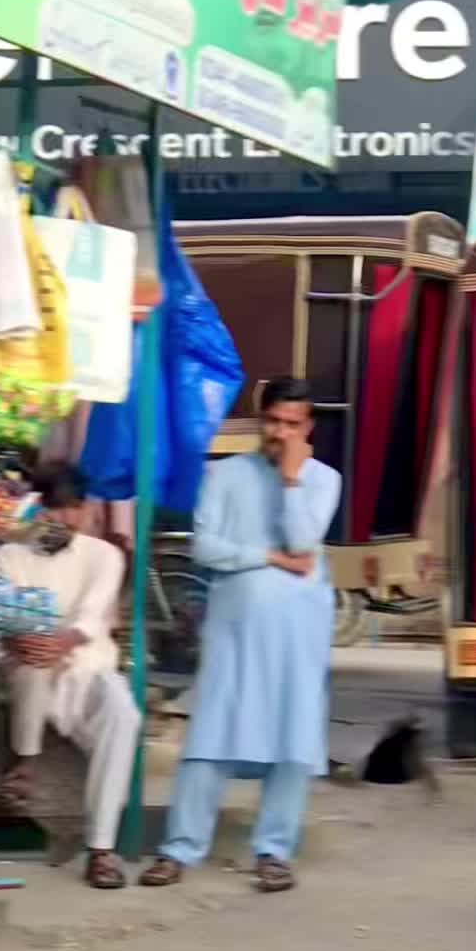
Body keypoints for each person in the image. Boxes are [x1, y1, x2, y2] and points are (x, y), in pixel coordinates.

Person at [140, 376, 340, 893]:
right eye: (272, 421)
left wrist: (291, 481)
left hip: (299, 633)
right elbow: (205, 549)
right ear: (260, 421)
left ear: (308, 428)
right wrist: (269, 557)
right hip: (235, 629)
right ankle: (180, 849)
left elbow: (303, 540)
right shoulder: (224, 474)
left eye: (291, 424)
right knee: (212, 731)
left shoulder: (323, 480)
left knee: (292, 739)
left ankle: (274, 852)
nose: (280, 433)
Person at [0, 464, 140, 889]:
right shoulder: (6, 556)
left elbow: (90, 619)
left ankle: (101, 849)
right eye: (54, 509)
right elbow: (6, 619)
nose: (64, 519)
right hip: (27, 667)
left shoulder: (104, 555)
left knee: (124, 715)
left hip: (89, 666)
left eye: (72, 509)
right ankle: (25, 763)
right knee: (32, 667)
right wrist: (28, 639)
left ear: (85, 509)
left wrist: (61, 642)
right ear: (35, 508)